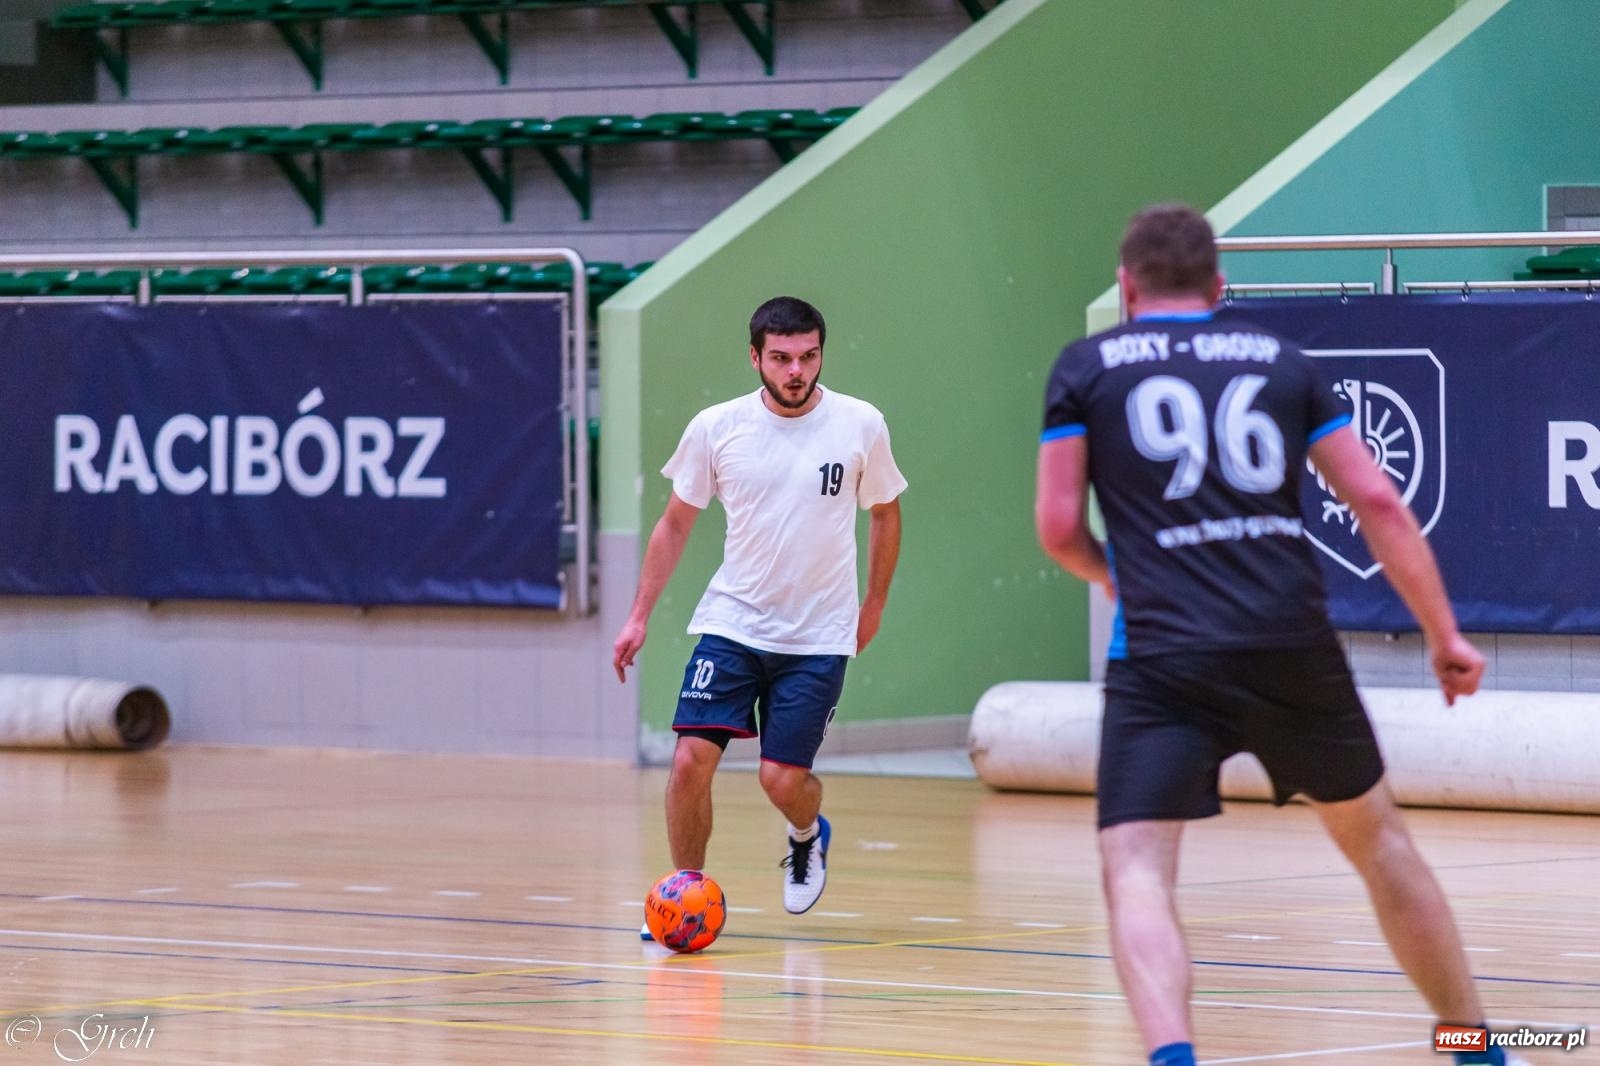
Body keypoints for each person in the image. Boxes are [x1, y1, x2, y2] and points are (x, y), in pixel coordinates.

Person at [1033, 204, 1522, 1066]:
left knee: (1136, 866)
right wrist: (1444, 634)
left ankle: (1173, 1057)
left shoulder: (1085, 368)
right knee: (1381, 847)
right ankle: (1476, 1048)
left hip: (1160, 654)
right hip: (1289, 641)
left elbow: (1059, 527)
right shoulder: (1282, 360)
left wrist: (1115, 573)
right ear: (1219, 287)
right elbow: (1377, 502)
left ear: (1126, 285)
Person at [614, 295, 906, 932]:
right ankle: (683, 895)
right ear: (755, 358)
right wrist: (638, 615)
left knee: (780, 779)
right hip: (733, 625)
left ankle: (807, 833)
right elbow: (674, 524)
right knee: (689, 761)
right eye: (780, 358)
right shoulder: (717, 428)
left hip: (818, 634)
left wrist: (875, 603)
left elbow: (886, 513)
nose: (796, 370)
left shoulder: (860, 424)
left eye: (808, 356)